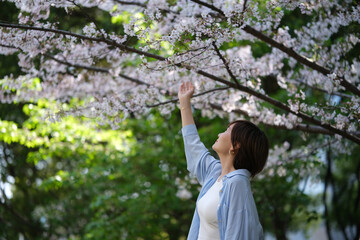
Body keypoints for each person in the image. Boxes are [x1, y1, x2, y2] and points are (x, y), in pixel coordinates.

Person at [178, 81, 269, 240]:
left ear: (236, 145)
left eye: (227, 131)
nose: (220, 134)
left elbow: (239, 235)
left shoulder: (237, 183)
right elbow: (193, 147)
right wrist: (184, 102)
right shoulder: (215, 174)